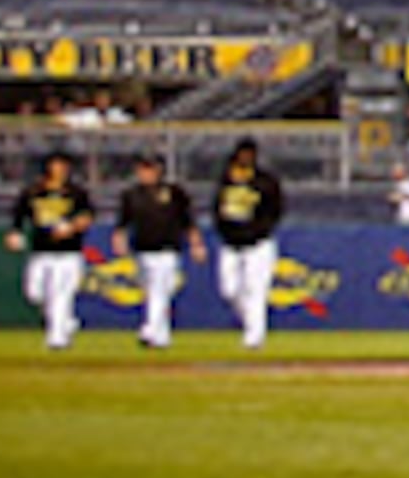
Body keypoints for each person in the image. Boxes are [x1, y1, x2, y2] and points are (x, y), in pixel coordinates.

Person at [114, 150, 200, 350]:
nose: (145, 173)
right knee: (153, 293)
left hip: (168, 250)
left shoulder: (174, 193)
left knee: (159, 290)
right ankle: (162, 335)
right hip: (143, 250)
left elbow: (188, 222)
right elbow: (123, 222)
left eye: (149, 168)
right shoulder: (132, 195)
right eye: (142, 168)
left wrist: (196, 244)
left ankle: (150, 330)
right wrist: (119, 240)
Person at [8, 151, 92, 350]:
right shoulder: (33, 192)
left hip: (68, 252)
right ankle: (65, 321)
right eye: (56, 166)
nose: (59, 170)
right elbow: (19, 218)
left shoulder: (76, 193)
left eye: (63, 166)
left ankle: (57, 338)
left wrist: (70, 228)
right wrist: (14, 234)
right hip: (41, 251)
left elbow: (86, 217)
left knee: (61, 294)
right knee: (35, 293)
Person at [212, 138, 287, 350]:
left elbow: (276, 209)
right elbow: (217, 208)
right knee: (229, 290)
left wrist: (261, 229)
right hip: (231, 243)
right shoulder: (227, 179)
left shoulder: (265, 181)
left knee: (256, 290)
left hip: (258, 244)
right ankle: (250, 323)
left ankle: (254, 337)